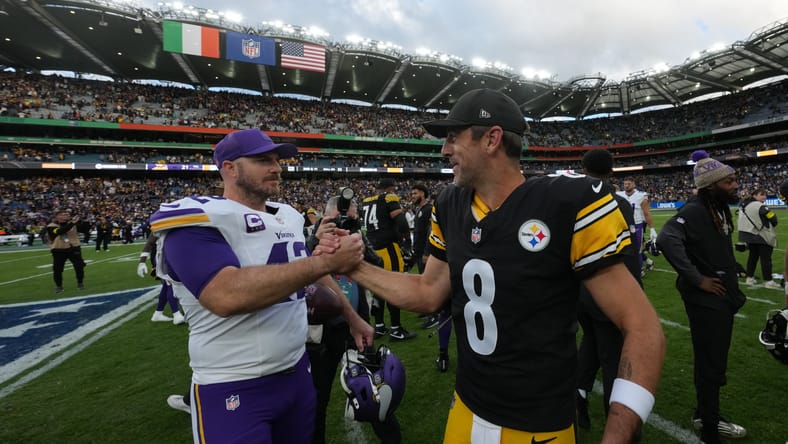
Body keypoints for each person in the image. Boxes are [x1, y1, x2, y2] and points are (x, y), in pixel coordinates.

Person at [320, 89, 665, 443]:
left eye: (453, 138)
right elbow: (427, 292)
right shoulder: (450, 203)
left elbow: (642, 326)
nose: (444, 150)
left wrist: (618, 436)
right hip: (467, 407)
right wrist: (353, 266)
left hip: (539, 422)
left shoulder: (567, 203)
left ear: (492, 139)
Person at [149, 128, 373, 444]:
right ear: (229, 167)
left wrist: (352, 317)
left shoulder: (289, 216)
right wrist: (325, 263)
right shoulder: (197, 221)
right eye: (262, 160)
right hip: (231, 383)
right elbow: (225, 294)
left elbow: (308, 272)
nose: (277, 167)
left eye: (277, 159)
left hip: (296, 372)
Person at [656, 150, 747, 444]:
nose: (735, 185)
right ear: (711, 186)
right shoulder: (695, 209)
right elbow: (667, 239)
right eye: (729, 181)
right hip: (708, 300)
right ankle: (710, 426)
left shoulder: (715, 207)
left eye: (735, 179)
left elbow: (707, 245)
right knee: (711, 362)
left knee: (711, 359)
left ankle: (704, 413)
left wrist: (731, 265)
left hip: (721, 296)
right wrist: (697, 279)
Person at [305, 194, 402, 444]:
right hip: (322, 331)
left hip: (356, 324)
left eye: (349, 216)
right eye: (338, 217)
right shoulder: (311, 238)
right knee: (316, 399)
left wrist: (355, 241)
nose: (343, 222)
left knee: (375, 389)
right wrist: (316, 238)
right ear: (326, 216)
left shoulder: (356, 235)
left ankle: (391, 438)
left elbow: (377, 263)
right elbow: (298, 265)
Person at [575, 149, 642, 432]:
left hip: (579, 292)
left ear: (583, 168)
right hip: (607, 292)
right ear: (612, 171)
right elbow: (626, 254)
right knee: (613, 357)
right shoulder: (618, 203)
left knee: (590, 344)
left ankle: (577, 399)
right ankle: (619, 426)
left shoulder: (569, 200)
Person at [360, 178, 417, 341]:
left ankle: (378, 326)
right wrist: (407, 241)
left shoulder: (366, 201)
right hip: (388, 247)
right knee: (394, 286)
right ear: (389, 188)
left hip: (372, 250)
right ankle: (396, 329)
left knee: (378, 288)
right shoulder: (389, 197)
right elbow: (400, 221)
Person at [136, 232, 185, 325]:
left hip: (173, 256)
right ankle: (176, 314)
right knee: (172, 283)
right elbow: (150, 242)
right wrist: (142, 262)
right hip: (163, 258)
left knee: (167, 286)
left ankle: (158, 313)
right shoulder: (161, 224)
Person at [736, 188, 780, 289]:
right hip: (761, 235)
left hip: (749, 235)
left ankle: (749, 278)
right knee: (766, 259)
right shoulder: (760, 206)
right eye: (761, 194)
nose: (764, 197)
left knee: (752, 257)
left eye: (765, 195)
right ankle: (768, 281)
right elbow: (773, 218)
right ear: (754, 196)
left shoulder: (743, 205)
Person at [617, 177, 657, 275]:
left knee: (637, 249)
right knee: (623, 248)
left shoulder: (641, 196)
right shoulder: (619, 194)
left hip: (637, 225)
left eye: (629, 184)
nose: (626, 185)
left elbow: (647, 213)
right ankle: (640, 266)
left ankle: (639, 270)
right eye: (625, 184)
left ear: (634, 184)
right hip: (623, 225)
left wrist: (652, 228)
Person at [46, 209, 87, 293]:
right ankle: (59, 286)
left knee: (79, 266)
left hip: (74, 247)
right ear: (58, 216)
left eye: (67, 214)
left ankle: (80, 283)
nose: (67, 215)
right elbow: (61, 231)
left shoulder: (73, 224)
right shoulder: (52, 226)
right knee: (58, 269)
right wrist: (72, 223)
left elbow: (85, 229)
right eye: (64, 214)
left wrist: (85, 220)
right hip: (59, 249)